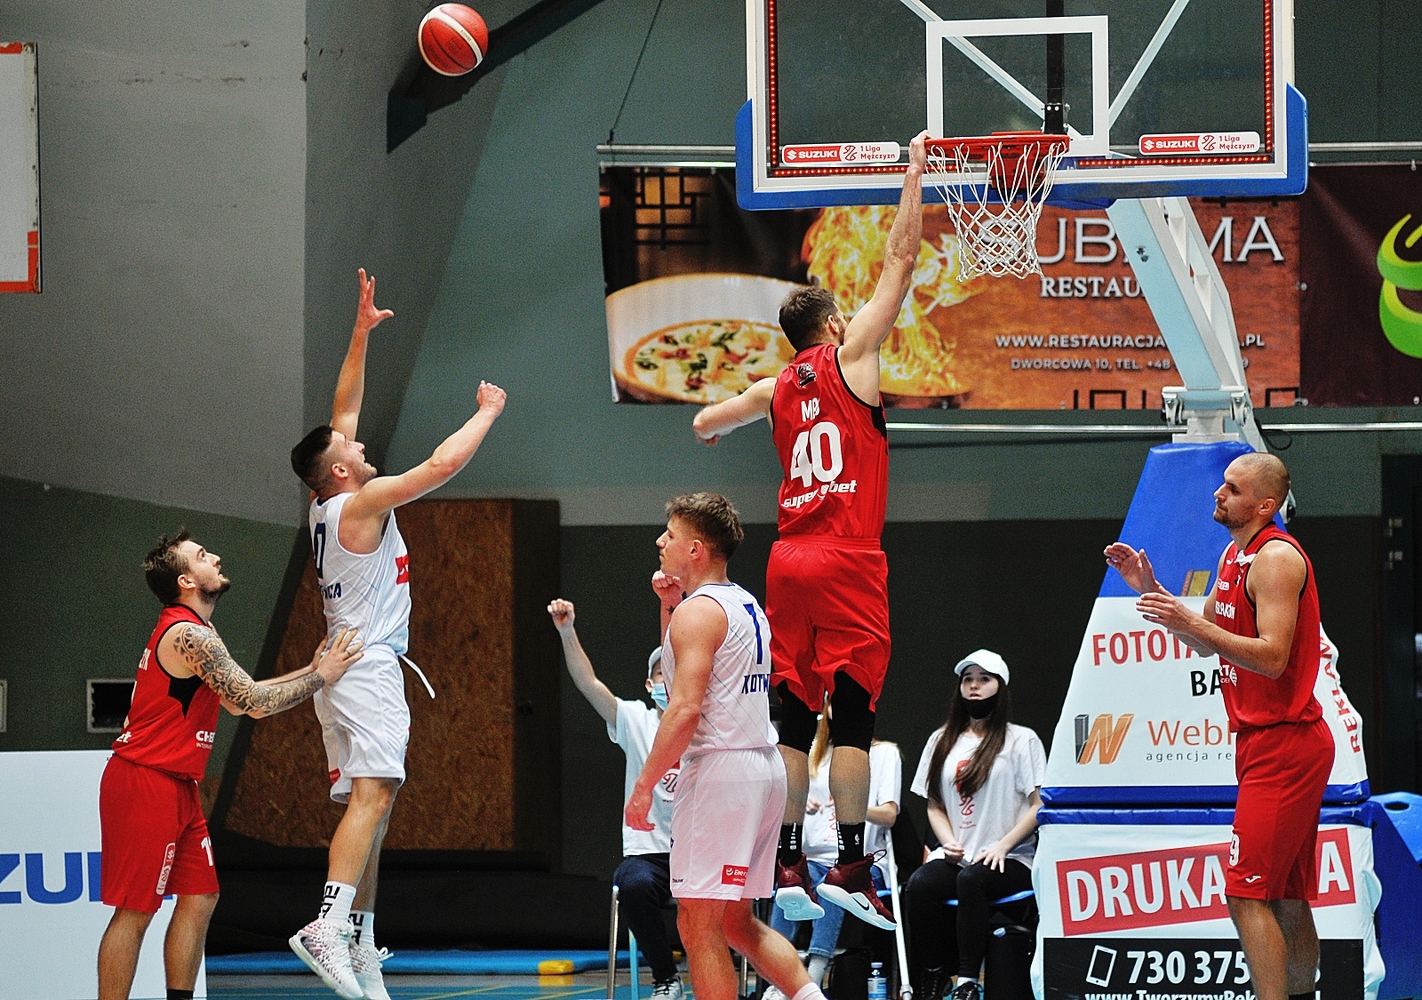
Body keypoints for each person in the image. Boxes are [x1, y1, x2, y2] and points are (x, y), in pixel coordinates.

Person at [689, 132, 931, 931]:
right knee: (854, 715)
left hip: (787, 559)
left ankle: (789, 858)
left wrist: (720, 426)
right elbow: (900, 260)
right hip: (847, 556)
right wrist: (913, 174)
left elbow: (704, 421)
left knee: (795, 716)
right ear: (832, 324)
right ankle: (854, 863)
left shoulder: (774, 386)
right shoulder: (851, 356)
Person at [287, 269, 507, 1000]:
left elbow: (342, 410)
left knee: (372, 808)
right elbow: (442, 466)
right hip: (367, 664)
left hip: (346, 665)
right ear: (341, 469)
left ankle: (360, 937)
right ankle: (328, 923)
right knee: (376, 799)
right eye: (351, 448)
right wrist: (487, 412)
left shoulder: (326, 503)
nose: (361, 444)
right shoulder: (363, 502)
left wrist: (360, 333)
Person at [1106, 452, 1332, 1000]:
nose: (1218, 493)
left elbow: (1272, 658)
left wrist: (1188, 620)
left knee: (1245, 893)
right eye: (1222, 485)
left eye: (1232, 488)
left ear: (1264, 505)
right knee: (1285, 894)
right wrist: (1152, 592)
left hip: (1285, 743)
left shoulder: (1275, 559)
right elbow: (1204, 637)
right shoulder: (1235, 554)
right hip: (1267, 741)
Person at [98, 531, 362, 1000]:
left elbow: (239, 702)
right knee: (135, 911)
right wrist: (321, 677)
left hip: (178, 784)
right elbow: (254, 702)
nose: (215, 557)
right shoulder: (189, 635)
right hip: (144, 780)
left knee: (201, 897)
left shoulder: (199, 630)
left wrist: (311, 671)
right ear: (186, 581)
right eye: (202, 555)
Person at [624, 493, 827, 1000]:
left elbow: (683, 709)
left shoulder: (698, 614)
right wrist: (669, 605)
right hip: (761, 770)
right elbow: (684, 673)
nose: (660, 541)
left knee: (697, 922)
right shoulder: (742, 603)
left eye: (670, 534)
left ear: (695, 549)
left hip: (721, 775)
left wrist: (644, 785)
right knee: (735, 921)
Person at [547, 583, 686, 1000]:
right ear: (649, 683)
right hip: (649, 855)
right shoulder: (635, 720)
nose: (667, 680)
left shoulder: (703, 725)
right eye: (661, 673)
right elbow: (587, 682)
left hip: (699, 852)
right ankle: (667, 979)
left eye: (675, 672)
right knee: (633, 886)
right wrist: (567, 631)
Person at [902, 650, 1044, 1000]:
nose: (974, 686)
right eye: (968, 679)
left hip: (1011, 858)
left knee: (972, 880)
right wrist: (947, 842)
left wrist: (1003, 846)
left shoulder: (1021, 740)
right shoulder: (941, 740)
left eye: (984, 679)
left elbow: (1039, 805)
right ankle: (934, 975)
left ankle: (967, 980)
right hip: (960, 857)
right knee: (919, 886)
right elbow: (934, 804)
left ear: (1000, 687)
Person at [763, 713, 902, 1000]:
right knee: (791, 881)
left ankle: (812, 980)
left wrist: (851, 807)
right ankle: (776, 984)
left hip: (861, 863)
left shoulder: (885, 753)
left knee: (835, 881)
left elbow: (889, 814)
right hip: (812, 856)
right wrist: (799, 803)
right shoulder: (811, 751)